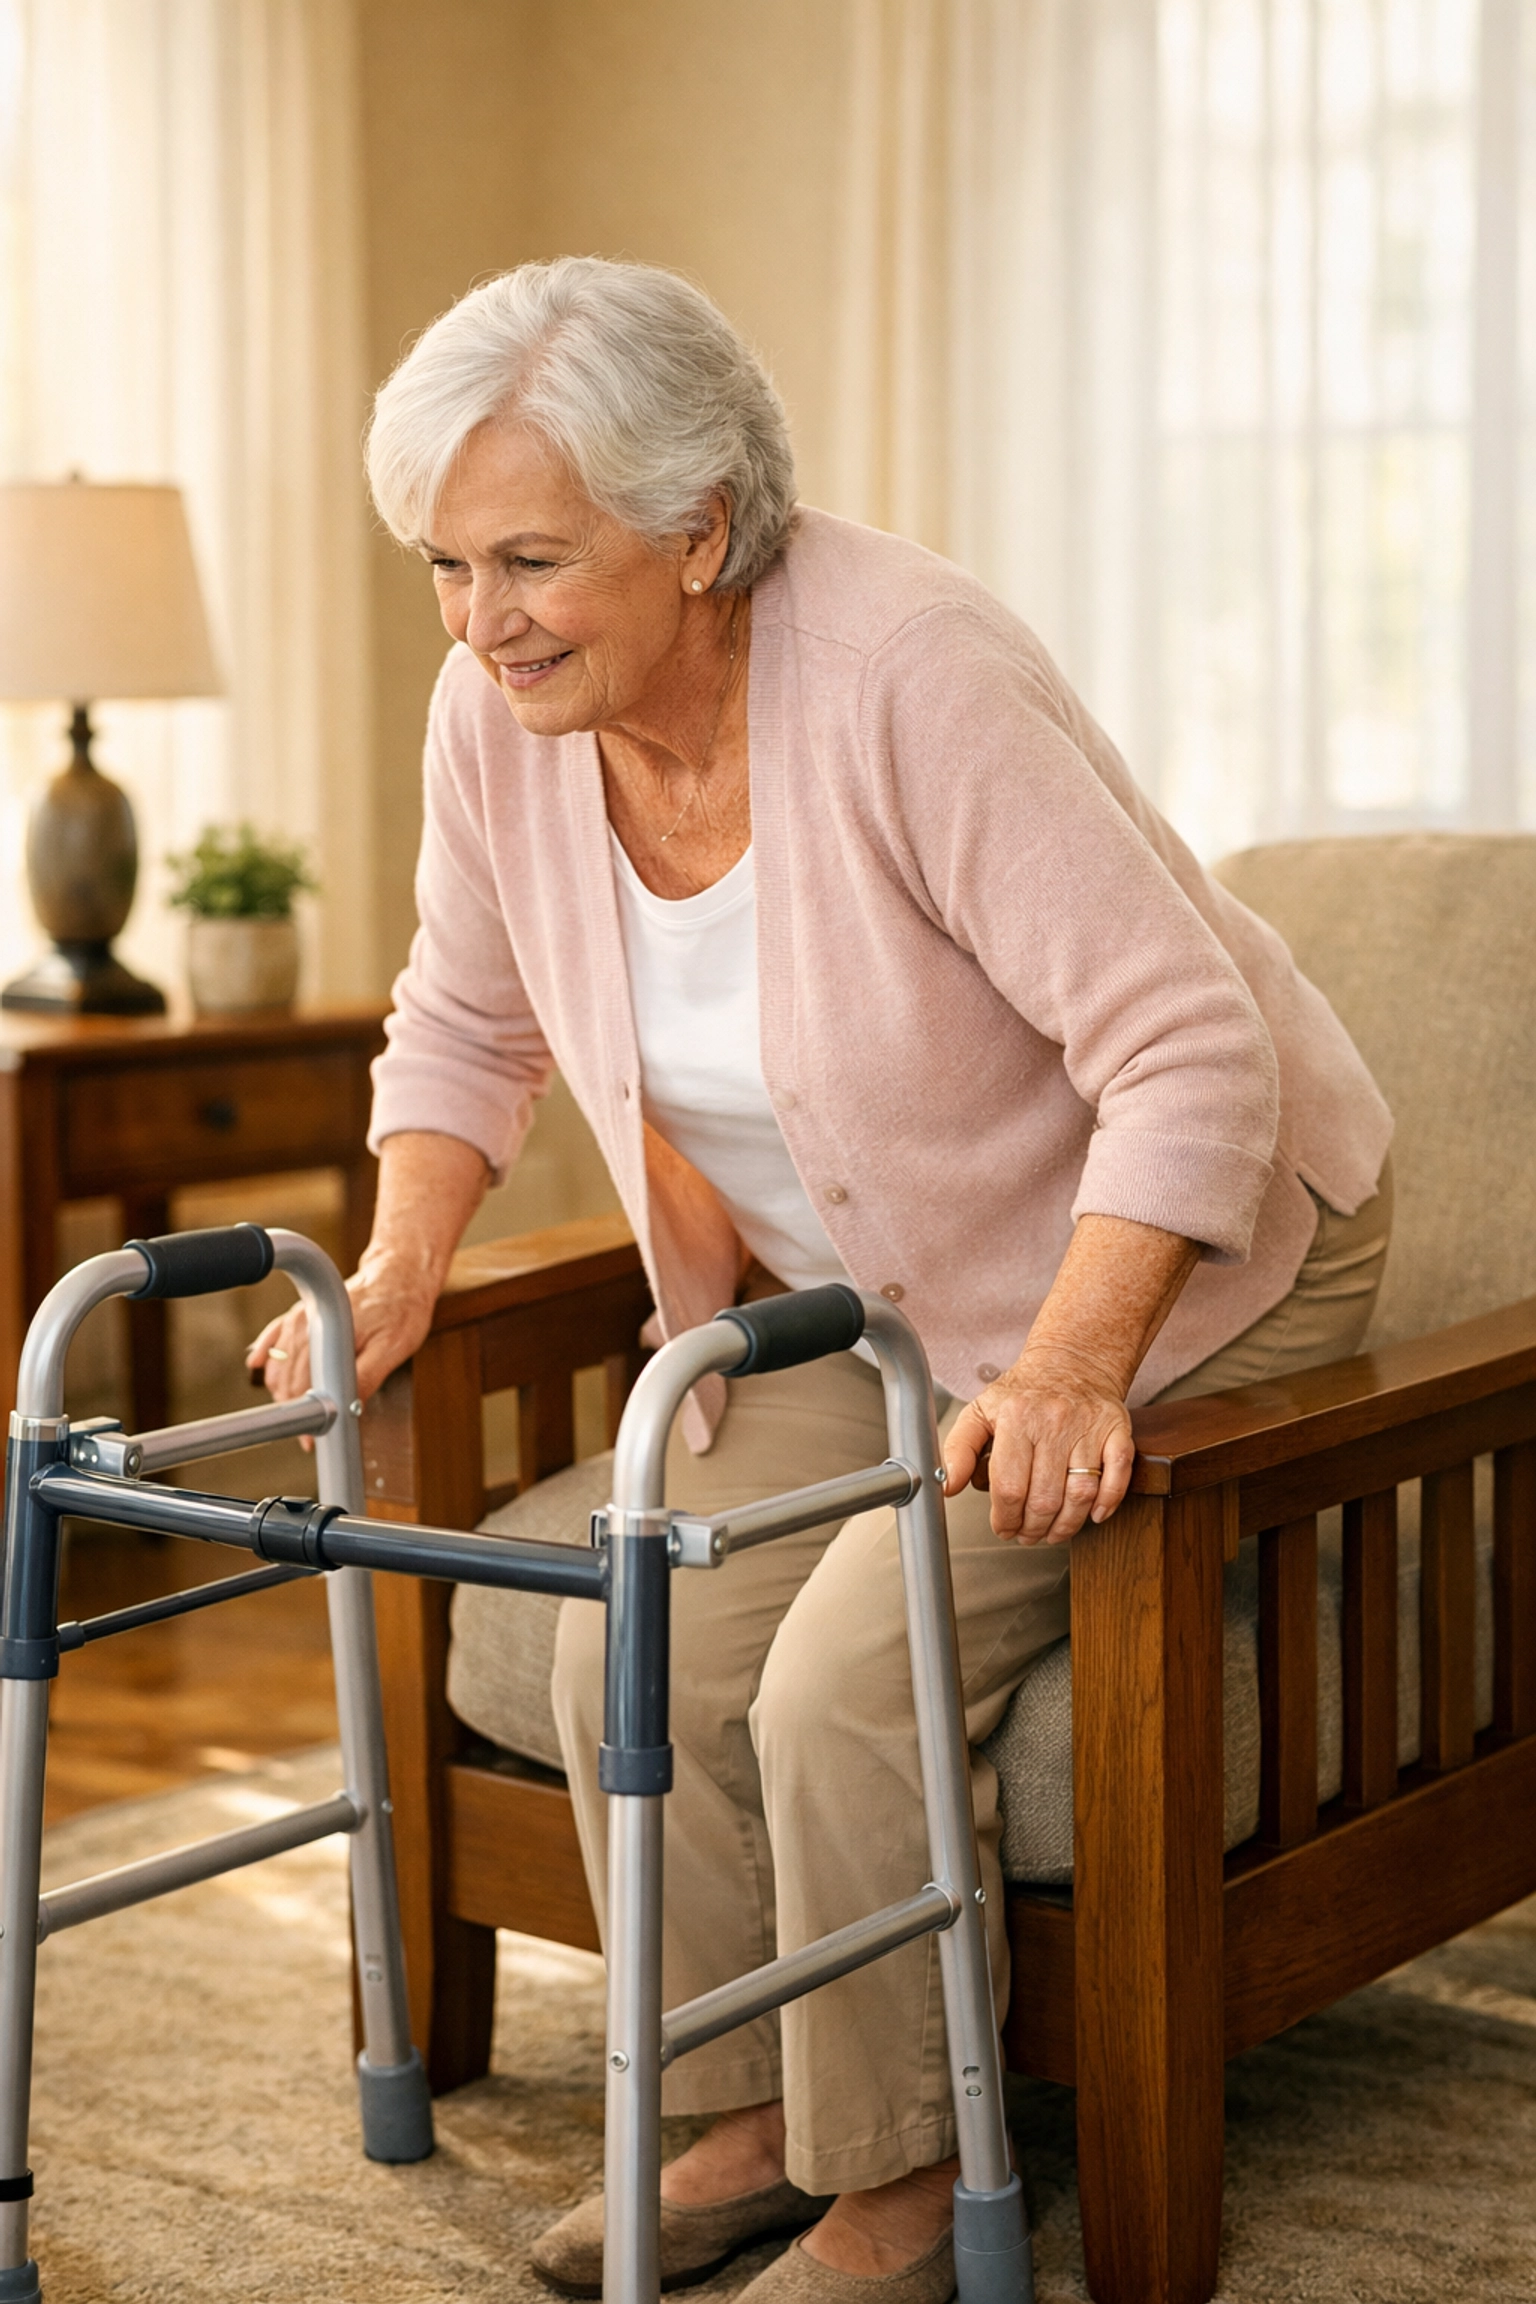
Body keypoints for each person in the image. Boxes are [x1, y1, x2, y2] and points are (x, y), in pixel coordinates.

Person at [250, 258, 1393, 2304]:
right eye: (442, 562)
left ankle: (899, 2182)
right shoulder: (500, 721)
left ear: (699, 530)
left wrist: (1064, 1367)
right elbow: (462, 1021)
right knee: (638, 1622)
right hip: (862, 1295)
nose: (478, 617)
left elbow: (1189, 1055)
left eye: (527, 558)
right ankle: (742, 2114)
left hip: (1185, 1252)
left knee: (839, 1681)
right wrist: (407, 1249)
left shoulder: (907, 676)